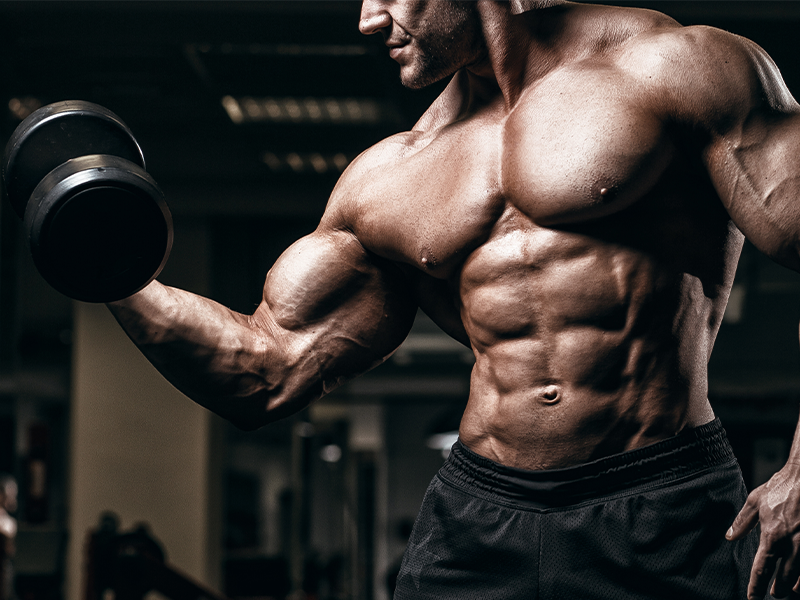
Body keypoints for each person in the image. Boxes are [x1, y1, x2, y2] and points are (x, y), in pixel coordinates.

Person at [103, 1, 800, 598]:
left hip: (660, 505)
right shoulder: (390, 174)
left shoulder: (679, 68)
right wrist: (117, 277)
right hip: (478, 519)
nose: (368, 19)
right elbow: (265, 370)